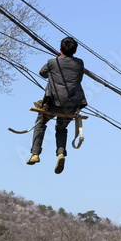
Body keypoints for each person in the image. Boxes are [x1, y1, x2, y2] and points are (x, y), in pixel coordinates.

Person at [27, 37, 87, 174]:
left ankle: (35, 154)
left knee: (41, 122)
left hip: (53, 103)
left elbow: (42, 73)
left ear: (60, 49)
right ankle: (61, 153)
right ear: (75, 50)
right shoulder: (80, 63)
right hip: (71, 105)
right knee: (61, 128)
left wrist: (56, 60)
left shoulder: (52, 62)